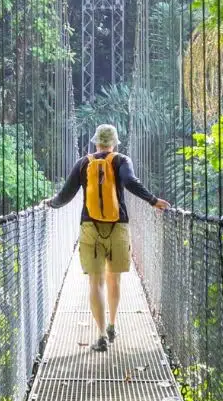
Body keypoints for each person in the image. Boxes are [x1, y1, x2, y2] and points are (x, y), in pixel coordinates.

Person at [44, 124, 170, 351]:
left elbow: (66, 195)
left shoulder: (83, 163)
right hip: (117, 226)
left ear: (95, 142)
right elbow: (130, 183)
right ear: (114, 143)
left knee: (95, 281)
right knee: (114, 279)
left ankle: (101, 335)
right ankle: (112, 325)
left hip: (90, 226)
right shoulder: (121, 160)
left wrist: (50, 204)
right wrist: (153, 200)